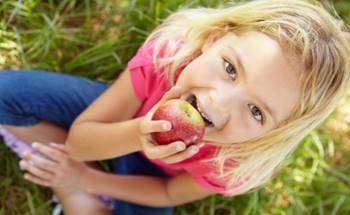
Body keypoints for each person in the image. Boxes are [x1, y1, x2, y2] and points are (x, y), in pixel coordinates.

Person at [1, 0, 350, 214]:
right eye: (230, 68)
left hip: (152, 179)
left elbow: (167, 192)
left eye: (257, 112)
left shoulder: (237, 162)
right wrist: (139, 133)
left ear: (275, 133)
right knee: (5, 93)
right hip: (125, 117)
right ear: (214, 39)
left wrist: (87, 178)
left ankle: (77, 188)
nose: (219, 102)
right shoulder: (168, 58)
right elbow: (80, 142)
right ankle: (76, 196)